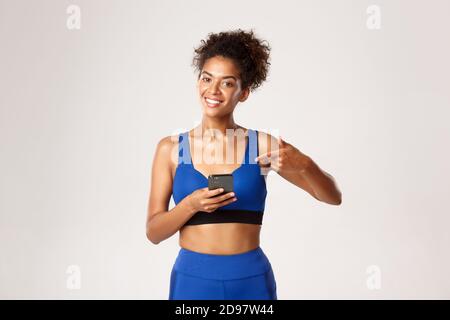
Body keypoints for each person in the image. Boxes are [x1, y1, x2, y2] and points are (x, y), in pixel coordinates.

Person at [146, 28, 342, 300]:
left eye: (227, 82)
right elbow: (154, 232)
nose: (213, 90)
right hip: (192, 280)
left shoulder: (262, 146)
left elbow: (333, 197)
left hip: (250, 280)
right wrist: (190, 205)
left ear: (244, 92)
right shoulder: (169, 149)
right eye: (206, 78)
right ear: (198, 82)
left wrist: (306, 165)